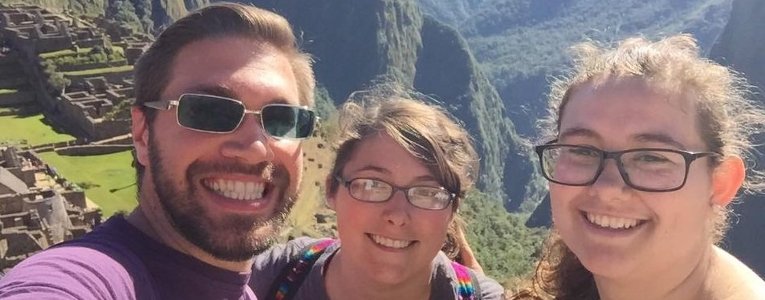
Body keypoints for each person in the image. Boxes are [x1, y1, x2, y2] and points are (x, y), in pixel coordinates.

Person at [0, 3, 316, 299]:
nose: (255, 150)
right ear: (142, 134)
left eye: (282, 120)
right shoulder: (83, 279)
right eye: (207, 112)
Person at [513, 34, 765, 300]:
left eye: (651, 157)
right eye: (582, 150)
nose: (608, 189)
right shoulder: (576, 282)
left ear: (721, 183)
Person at [249, 85, 504, 299]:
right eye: (372, 185)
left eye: (427, 193)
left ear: (452, 210)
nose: (397, 215)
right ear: (331, 191)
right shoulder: (268, 278)